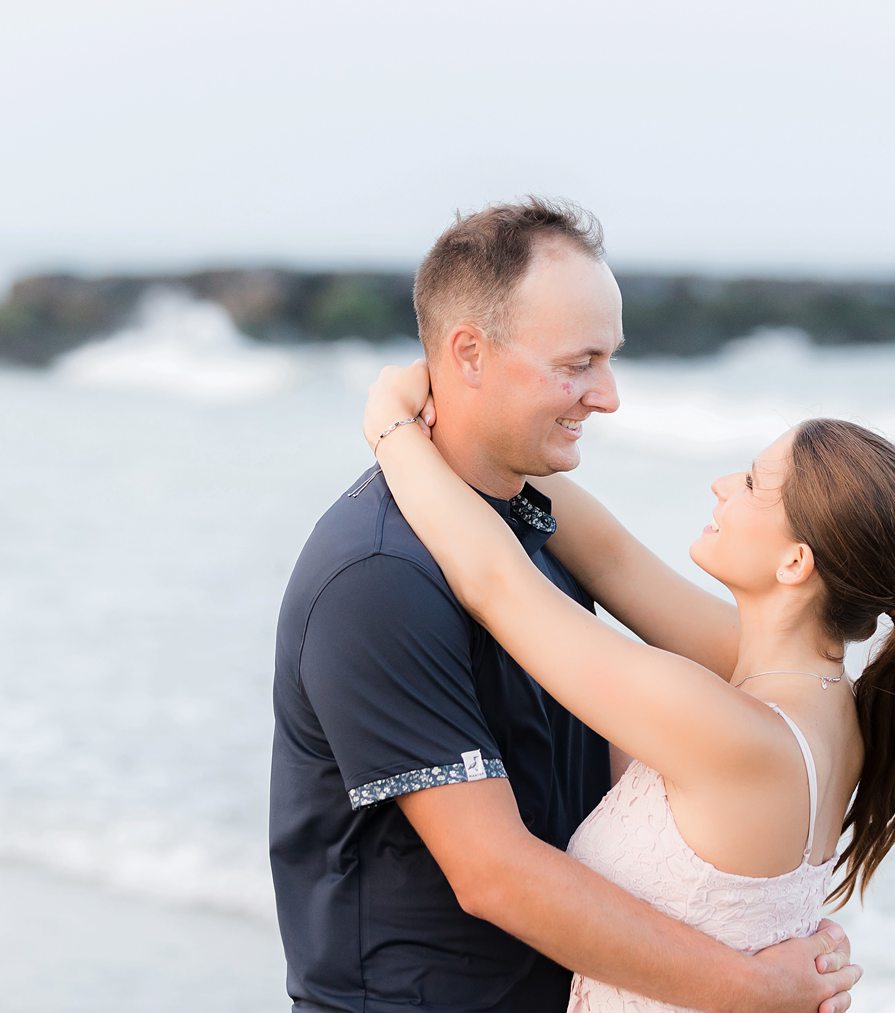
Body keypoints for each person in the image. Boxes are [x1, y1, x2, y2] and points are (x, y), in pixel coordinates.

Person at [270, 198, 860, 1012]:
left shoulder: (540, 526)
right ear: (468, 353)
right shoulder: (378, 577)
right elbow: (494, 872)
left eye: (610, 360)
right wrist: (754, 982)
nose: (609, 396)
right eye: (579, 362)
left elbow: (684, 706)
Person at [358, 361, 895, 1011]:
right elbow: (612, 558)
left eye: (753, 484)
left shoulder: (729, 728)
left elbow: (498, 586)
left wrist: (389, 425)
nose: (722, 485)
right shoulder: (819, 694)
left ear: (794, 562)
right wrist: (481, 423)